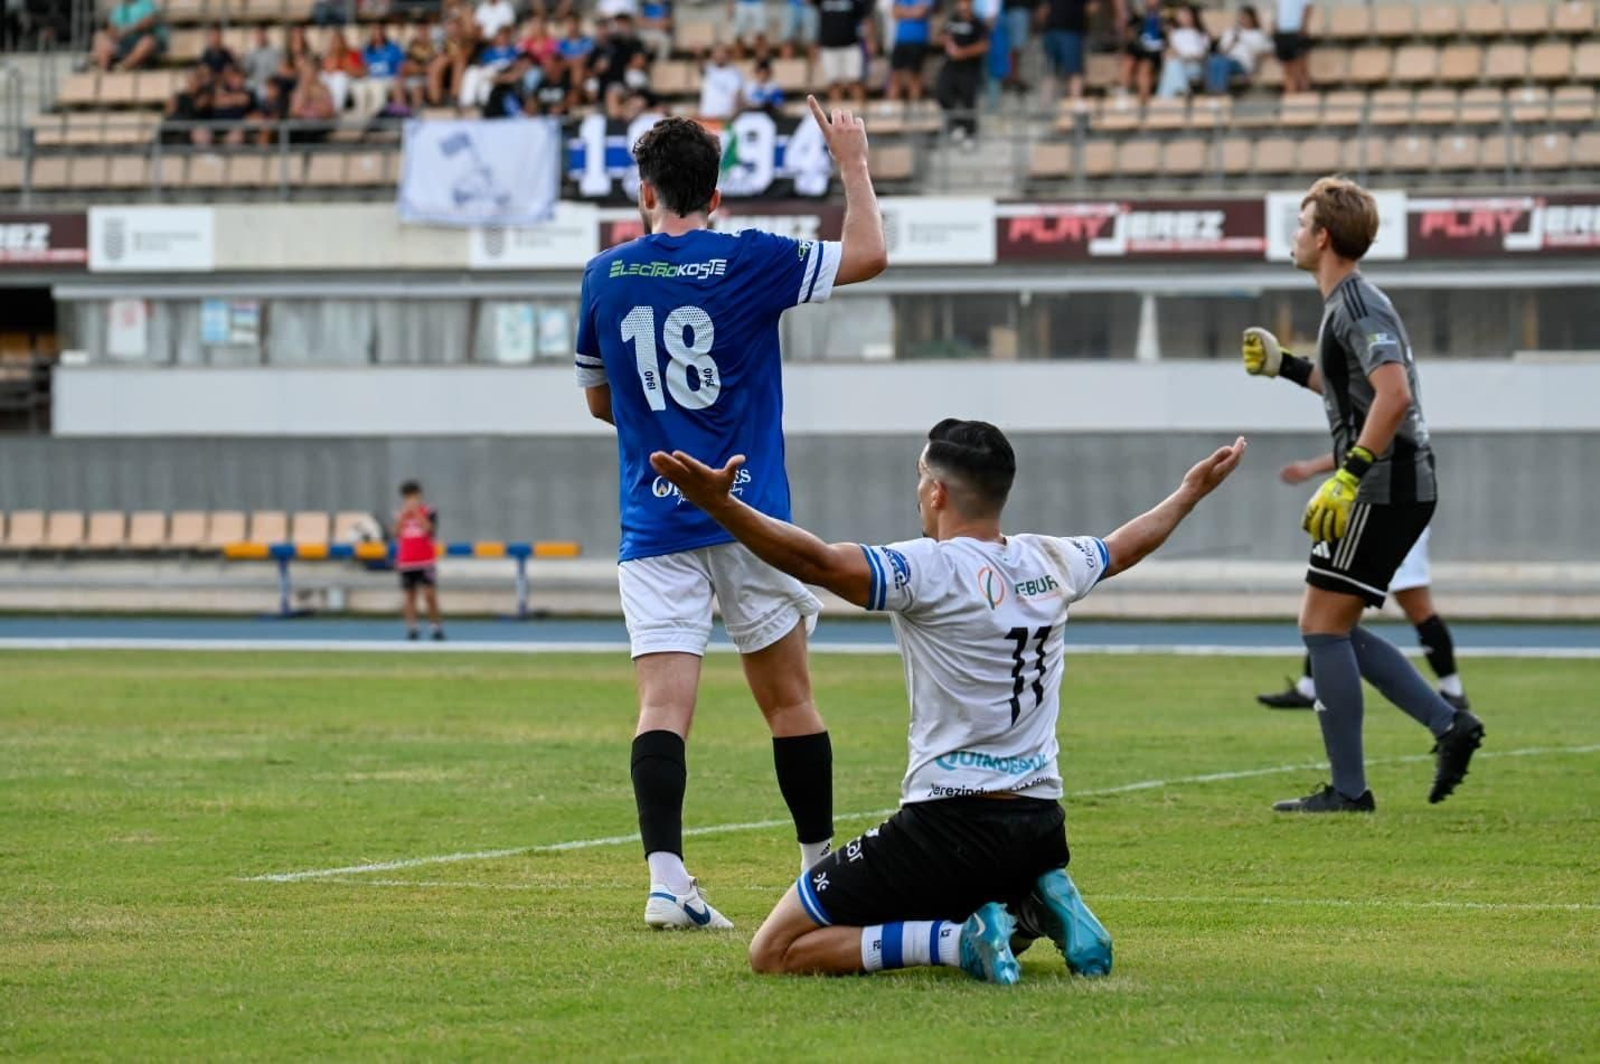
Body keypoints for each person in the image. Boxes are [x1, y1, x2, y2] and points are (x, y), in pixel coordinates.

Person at [648, 421, 1247, 981]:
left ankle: (959, 943)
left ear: (937, 491)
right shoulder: (1050, 558)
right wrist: (1188, 493)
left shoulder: (929, 568)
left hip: (948, 828)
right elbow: (1124, 546)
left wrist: (719, 504)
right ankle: (1039, 901)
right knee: (973, 884)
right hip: (1041, 824)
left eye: (918, 477)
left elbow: (816, 562)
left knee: (775, 951)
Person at [574, 103, 887, 930]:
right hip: (749, 518)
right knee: (788, 702)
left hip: (655, 519)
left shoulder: (603, 275)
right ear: (716, 195)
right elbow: (868, 255)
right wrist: (851, 161)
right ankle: (821, 878)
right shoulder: (748, 257)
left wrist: (663, 434)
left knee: (661, 709)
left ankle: (666, 882)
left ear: (646, 193)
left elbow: (603, 398)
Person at [1241, 176, 1485, 814]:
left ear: (1322, 237)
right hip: (1391, 484)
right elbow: (1349, 385)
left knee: (1320, 626)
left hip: (1382, 486)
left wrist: (1347, 476)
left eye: (1300, 225)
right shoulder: (1347, 304)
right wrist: (1286, 366)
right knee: (1333, 628)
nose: (1294, 236)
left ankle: (1352, 790)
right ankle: (1447, 724)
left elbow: (1393, 394)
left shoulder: (1356, 304)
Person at [1258, 452, 1469, 712]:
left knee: (1418, 608)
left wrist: (1311, 468)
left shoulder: (1389, 416)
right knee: (1331, 604)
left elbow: (1368, 446)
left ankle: (1452, 691)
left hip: (1392, 517)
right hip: (1372, 515)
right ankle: (1309, 687)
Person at [395, 480, 445, 641]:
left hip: (425, 560)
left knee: (429, 594)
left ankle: (436, 627)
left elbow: (429, 530)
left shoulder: (428, 511)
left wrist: (416, 513)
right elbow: (396, 533)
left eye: (414, 496)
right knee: (410, 596)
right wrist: (403, 516)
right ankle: (412, 628)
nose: (411, 500)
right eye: (408, 497)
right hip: (406, 561)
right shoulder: (400, 513)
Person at [936, 0, 989, 141]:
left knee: (968, 100)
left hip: (969, 68)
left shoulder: (978, 23)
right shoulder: (953, 20)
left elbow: (984, 46)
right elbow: (940, 36)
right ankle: (958, 125)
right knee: (942, 93)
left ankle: (970, 133)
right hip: (950, 66)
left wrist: (962, 52)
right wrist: (946, 42)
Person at [815, 0, 872, 106]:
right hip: (829, 46)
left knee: (855, 81)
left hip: (851, 45)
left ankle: (860, 115)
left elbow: (865, 18)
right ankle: (836, 118)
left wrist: (870, 39)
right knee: (833, 83)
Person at [1204, 3, 1270, 94]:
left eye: (1246, 17)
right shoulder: (1231, 32)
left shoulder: (1258, 34)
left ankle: (1219, 92)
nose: (1243, 20)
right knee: (1214, 60)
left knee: (1223, 63)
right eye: (1241, 17)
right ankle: (1212, 91)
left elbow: (1266, 51)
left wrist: (1255, 54)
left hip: (1243, 64)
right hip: (1227, 59)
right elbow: (1221, 51)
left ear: (1252, 18)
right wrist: (1232, 42)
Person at [91, 0, 167, 72]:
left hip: (146, 43)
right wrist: (116, 35)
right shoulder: (119, 9)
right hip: (124, 44)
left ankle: (123, 67)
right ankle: (104, 69)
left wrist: (130, 30)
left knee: (148, 41)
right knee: (99, 36)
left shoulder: (146, 4)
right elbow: (111, 29)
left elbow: (150, 21)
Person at [1041, 0, 1093, 101]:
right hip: (1060, 30)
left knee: (1066, 71)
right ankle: (1048, 106)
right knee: (1053, 71)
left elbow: (1092, 7)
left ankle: (1073, 103)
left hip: (1068, 29)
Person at [1155, 3, 1209, 97]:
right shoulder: (1175, 34)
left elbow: (1201, 54)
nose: (1183, 18)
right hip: (1177, 65)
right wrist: (1170, 37)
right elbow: (1171, 51)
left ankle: (1164, 99)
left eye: (1186, 15)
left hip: (1193, 66)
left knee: (1172, 66)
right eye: (1182, 16)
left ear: (1193, 17)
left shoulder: (1201, 34)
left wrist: (1180, 55)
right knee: (1172, 64)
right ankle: (1182, 90)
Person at [887, 0, 932, 102]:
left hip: (918, 41)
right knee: (894, 76)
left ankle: (914, 108)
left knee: (914, 76)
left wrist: (904, 12)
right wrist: (913, 12)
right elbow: (894, 13)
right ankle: (892, 110)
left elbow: (921, 12)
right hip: (900, 40)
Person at [1273, 0, 1312, 93]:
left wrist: (1303, 25)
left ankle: (1305, 95)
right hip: (1282, 31)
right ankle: (1291, 94)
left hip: (1296, 30)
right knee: (1287, 69)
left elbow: (1308, 6)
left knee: (1300, 67)